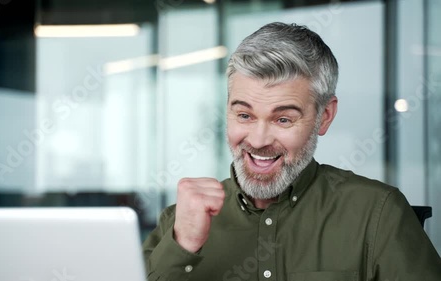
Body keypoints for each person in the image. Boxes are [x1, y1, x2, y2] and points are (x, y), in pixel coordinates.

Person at [142, 22, 441, 281]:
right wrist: (183, 244)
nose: (258, 140)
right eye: (244, 115)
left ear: (324, 116)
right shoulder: (179, 222)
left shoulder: (379, 214)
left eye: (283, 119)